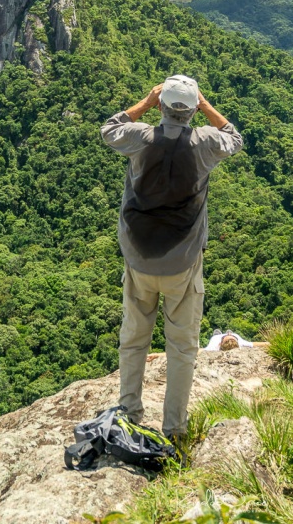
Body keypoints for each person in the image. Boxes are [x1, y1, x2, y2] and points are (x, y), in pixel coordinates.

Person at [100, 75, 243, 444]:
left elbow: (110, 128)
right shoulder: (205, 144)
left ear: (162, 106)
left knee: (134, 339)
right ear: (193, 109)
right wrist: (207, 107)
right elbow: (235, 139)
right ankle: (174, 429)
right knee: (181, 348)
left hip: (138, 258)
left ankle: (129, 412)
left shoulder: (141, 138)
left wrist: (145, 102)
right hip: (182, 263)